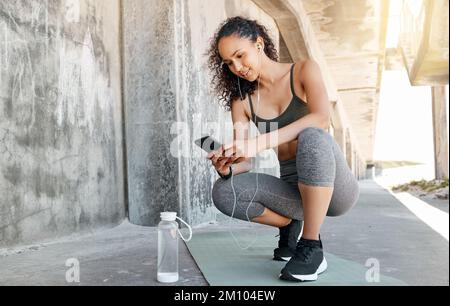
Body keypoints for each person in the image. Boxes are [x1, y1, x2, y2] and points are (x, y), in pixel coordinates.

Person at [206, 16, 360, 282]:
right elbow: (246, 162)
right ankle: (290, 225)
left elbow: (322, 118)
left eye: (240, 56)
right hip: (294, 191)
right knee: (223, 192)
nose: (238, 67)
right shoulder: (242, 102)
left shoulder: (303, 71)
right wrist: (228, 167)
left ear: (259, 43)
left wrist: (257, 143)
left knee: (312, 135)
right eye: (229, 63)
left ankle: (311, 246)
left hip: (334, 189)